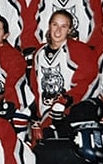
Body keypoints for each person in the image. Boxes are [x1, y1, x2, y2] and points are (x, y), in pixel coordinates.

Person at [22, 10, 98, 141]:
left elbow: (88, 83)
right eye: (55, 25)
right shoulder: (39, 53)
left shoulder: (81, 51)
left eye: (64, 26)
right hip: (45, 114)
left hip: (69, 114)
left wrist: (66, 100)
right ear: (49, 25)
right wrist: (36, 116)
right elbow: (35, 88)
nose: (58, 31)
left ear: (70, 30)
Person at [0, 15, 27, 112]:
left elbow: (14, 86)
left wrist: (12, 107)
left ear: (5, 35)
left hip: (5, 103)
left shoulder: (12, 56)